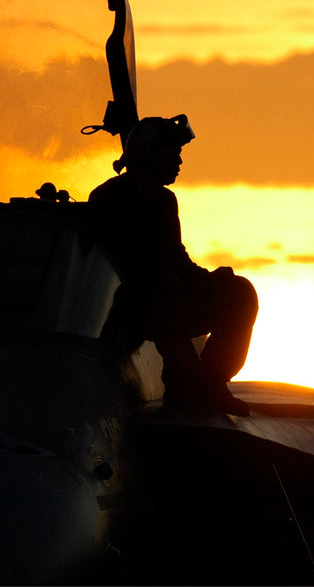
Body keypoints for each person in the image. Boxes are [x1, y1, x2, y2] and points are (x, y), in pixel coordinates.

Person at [88, 115, 258, 415]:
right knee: (162, 289)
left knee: (239, 291)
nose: (179, 161)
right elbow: (138, 268)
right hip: (130, 310)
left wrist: (211, 280)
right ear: (148, 153)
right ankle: (185, 385)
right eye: (173, 153)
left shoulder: (164, 200)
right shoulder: (108, 198)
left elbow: (176, 259)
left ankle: (211, 384)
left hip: (167, 298)